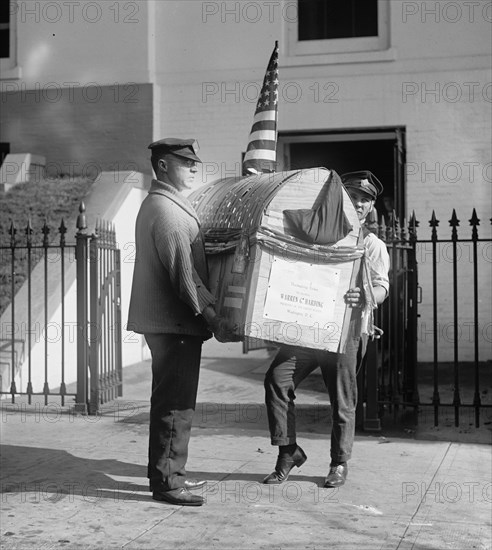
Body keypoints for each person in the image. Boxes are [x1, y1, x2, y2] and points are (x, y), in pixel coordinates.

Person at [127, 138, 237, 507]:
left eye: (194, 163)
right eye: (184, 163)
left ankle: (167, 474)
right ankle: (169, 483)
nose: (193, 168)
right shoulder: (169, 212)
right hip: (175, 325)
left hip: (167, 325)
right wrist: (214, 318)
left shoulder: (164, 204)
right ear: (161, 167)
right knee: (176, 406)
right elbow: (185, 277)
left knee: (169, 401)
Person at [263, 170, 390, 489]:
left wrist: (366, 296)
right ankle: (288, 452)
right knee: (277, 380)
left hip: (346, 333)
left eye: (365, 200)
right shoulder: (320, 233)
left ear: (371, 208)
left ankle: (339, 463)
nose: (358, 204)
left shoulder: (372, 245)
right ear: (341, 198)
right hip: (308, 329)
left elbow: (382, 287)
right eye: (353, 197)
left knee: (342, 399)